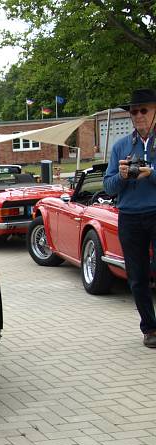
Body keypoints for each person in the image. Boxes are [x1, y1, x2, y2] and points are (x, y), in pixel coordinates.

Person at [104, 88, 156, 349]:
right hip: (130, 217)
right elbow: (109, 187)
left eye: (144, 110)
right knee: (136, 277)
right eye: (134, 112)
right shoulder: (121, 146)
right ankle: (150, 328)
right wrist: (123, 176)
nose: (138, 116)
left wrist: (152, 173)